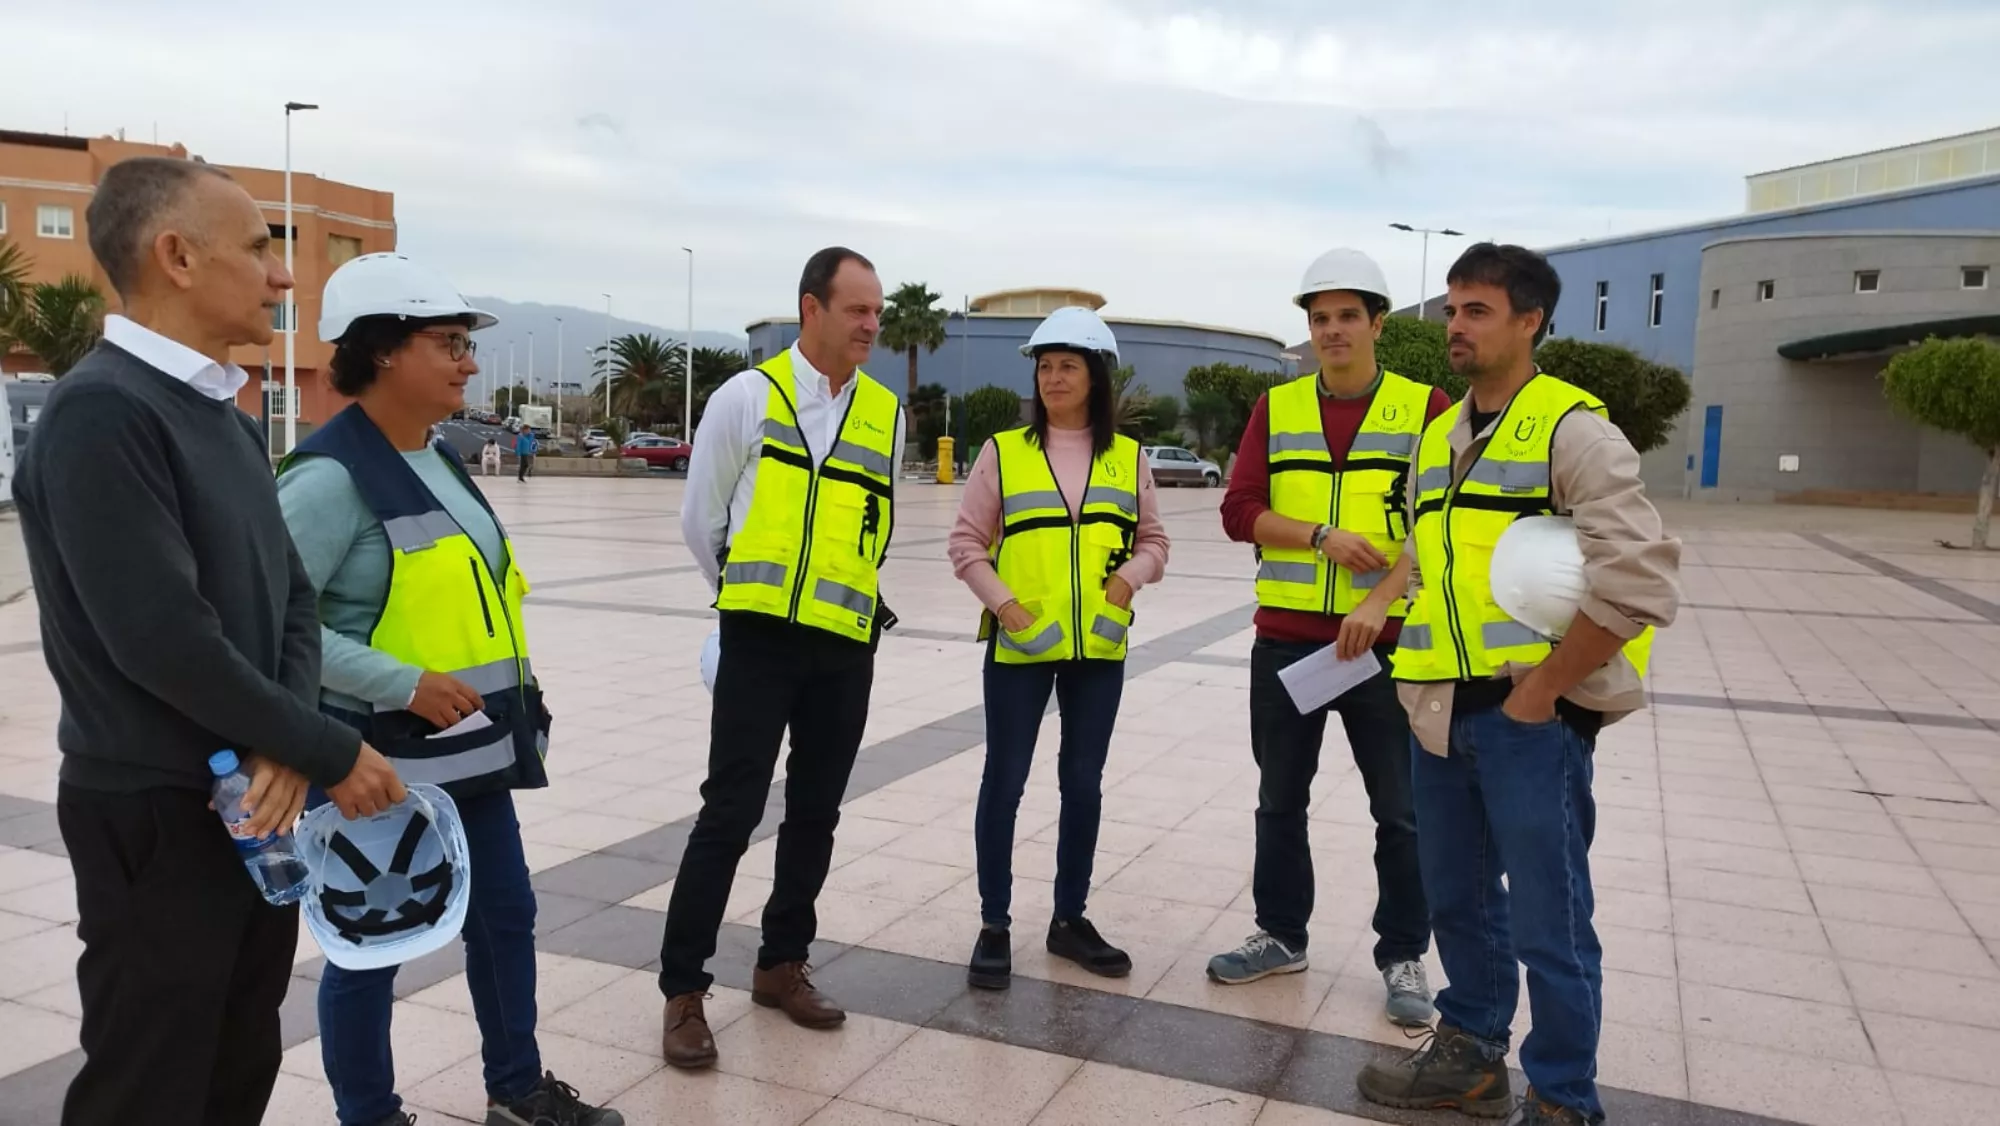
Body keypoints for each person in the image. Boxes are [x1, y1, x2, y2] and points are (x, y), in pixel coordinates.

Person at [10, 156, 403, 1126]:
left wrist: (286, 746)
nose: (282, 275)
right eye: (262, 248)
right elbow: (161, 639)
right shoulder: (103, 412)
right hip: (157, 807)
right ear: (177, 257)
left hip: (250, 805)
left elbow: (295, 599)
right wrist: (325, 747)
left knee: (237, 1060)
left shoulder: (222, 415)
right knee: (151, 1080)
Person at [275, 252, 621, 1126]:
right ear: (383, 351)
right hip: (373, 765)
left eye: (467, 344)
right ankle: (369, 1115)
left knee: (504, 918)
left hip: (472, 755)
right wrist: (400, 682)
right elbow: (274, 625)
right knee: (372, 946)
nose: (469, 363)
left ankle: (518, 1091)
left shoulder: (438, 458)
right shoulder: (327, 479)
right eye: (450, 343)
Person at [1355, 244, 1680, 1126]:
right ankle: (1470, 1057)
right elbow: (1429, 557)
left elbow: (1641, 581)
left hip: (1529, 720)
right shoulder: (1439, 438)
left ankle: (1564, 1098)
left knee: (1550, 920)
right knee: (1457, 901)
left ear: (1530, 321)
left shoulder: (1573, 430)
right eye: (1451, 309)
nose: (1455, 326)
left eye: (1478, 311)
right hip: (1438, 710)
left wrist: (1544, 691)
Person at [659, 246, 906, 1069]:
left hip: (845, 641)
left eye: (878, 312)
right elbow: (701, 520)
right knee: (729, 812)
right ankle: (683, 990)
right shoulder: (746, 398)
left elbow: (877, 525)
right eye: (857, 309)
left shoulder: (886, 412)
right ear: (811, 309)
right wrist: (742, 597)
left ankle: (781, 964)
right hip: (760, 637)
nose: (871, 325)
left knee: (816, 812)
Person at [1209, 249, 1449, 1027]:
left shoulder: (1425, 408)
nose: (1333, 330)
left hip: (1386, 646)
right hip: (1288, 643)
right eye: (1320, 318)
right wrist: (1320, 536)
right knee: (1279, 801)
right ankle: (1281, 935)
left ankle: (1404, 954)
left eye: (1348, 316)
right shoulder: (1276, 409)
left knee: (1401, 811)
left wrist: (1382, 600)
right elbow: (1239, 509)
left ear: (1379, 323)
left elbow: (1442, 523)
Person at [947, 307, 1170, 990]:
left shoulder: (1128, 457)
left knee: (1082, 784)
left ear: (1095, 376)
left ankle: (1069, 919)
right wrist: (1005, 606)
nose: (1053, 377)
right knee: (1004, 782)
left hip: (1098, 649)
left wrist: (1128, 581)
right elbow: (966, 544)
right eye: (1045, 366)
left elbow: (1154, 542)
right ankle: (994, 924)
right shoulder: (1003, 452)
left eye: (1068, 365)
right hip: (1020, 647)